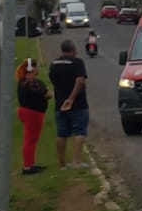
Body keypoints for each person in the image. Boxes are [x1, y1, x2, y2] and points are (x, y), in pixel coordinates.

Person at [49, 39, 89, 170]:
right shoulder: (77, 63)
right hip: (77, 103)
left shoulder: (54, 64)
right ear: (73, 49)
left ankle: (62, 163)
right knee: (79, 131)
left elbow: (52, 80)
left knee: (61, 133)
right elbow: (80, 81)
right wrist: (71, 98)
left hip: (60, 103)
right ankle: (76, 161)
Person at [15, 59, 49, 175]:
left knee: (31, 140)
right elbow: (46, 94)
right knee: (30, 140)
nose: (37, 69)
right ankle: (28, 166)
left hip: (28, 112)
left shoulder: (23, 82)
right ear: (31, 69)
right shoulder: (31, 82)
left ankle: (30, 163)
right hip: (32, 113)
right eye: (36, 67)